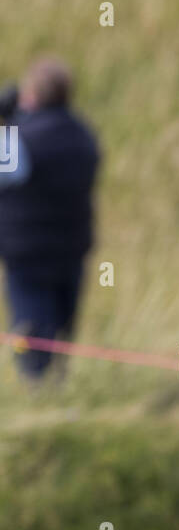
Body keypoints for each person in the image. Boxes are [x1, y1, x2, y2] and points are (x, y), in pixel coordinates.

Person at [0, 57, 101, 382]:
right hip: (71, 249)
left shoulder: (20, 140)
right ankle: (58, 388)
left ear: (32, 94)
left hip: (27, 255)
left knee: (30, 330)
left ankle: (33, 389)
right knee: (61, 328)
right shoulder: (84, 136)